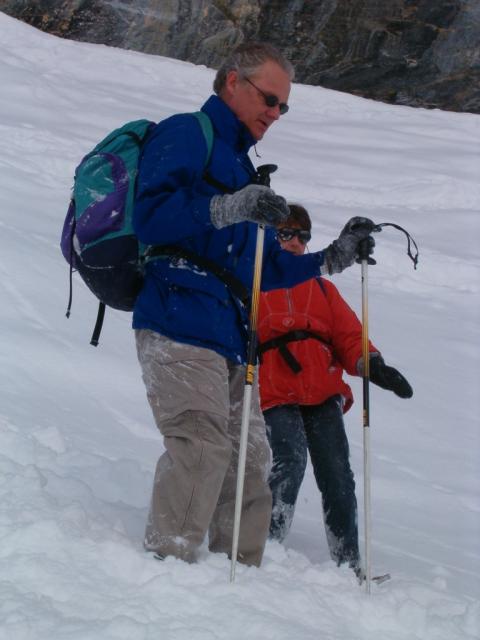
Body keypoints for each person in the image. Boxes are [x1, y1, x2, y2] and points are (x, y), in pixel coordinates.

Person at [132, 42, 376, 567]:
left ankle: (240, 577)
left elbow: (264, 266)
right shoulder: (186, 133)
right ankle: (167, 572)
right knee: (201, 445)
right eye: (269, 99)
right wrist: (225, 207)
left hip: (230, 334)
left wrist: (331, 258)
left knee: (251, 462)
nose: (276, 113)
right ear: (232, 83)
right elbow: (149, 218)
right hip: (178, 315)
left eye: (283, 106)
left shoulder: (244, 167)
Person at [257, 204, 413, 578]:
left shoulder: (323, 290)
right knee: (290, 461)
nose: (295, 242)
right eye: (286, 234)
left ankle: (348, 565)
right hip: (275, 389)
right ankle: (262, 548)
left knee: (338, 475)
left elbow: (348, 336)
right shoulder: (257, 282)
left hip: (323, 389)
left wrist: (372, 364)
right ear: (271, 238)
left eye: (303, 236)